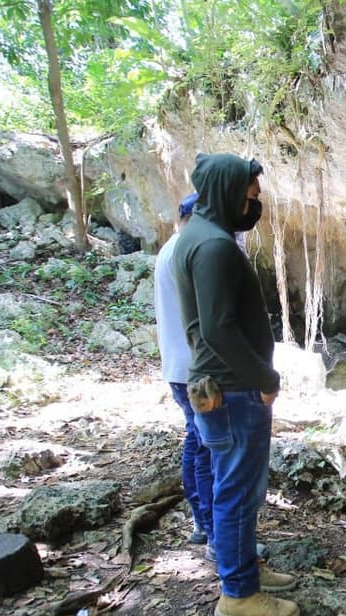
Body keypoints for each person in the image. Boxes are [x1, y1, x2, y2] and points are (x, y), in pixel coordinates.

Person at [171, 152, 298, 616]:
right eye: (252, 195)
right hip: (233, 392)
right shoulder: (215, 247)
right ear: (229, 192)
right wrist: (265, 380)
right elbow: (219, 330)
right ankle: (239, 595)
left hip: (224, 387)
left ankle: (246, 571)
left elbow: (203, 327)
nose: (256, 202)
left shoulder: (200, 237)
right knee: (238, 493)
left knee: (237, 488)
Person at [154, 193, 214, 550]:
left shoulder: (171, 248)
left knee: (197, 441)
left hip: (181, 366)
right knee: (206, 446)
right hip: (196, 369)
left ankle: (201, 521)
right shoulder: (189, 251)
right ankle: (210, 527)